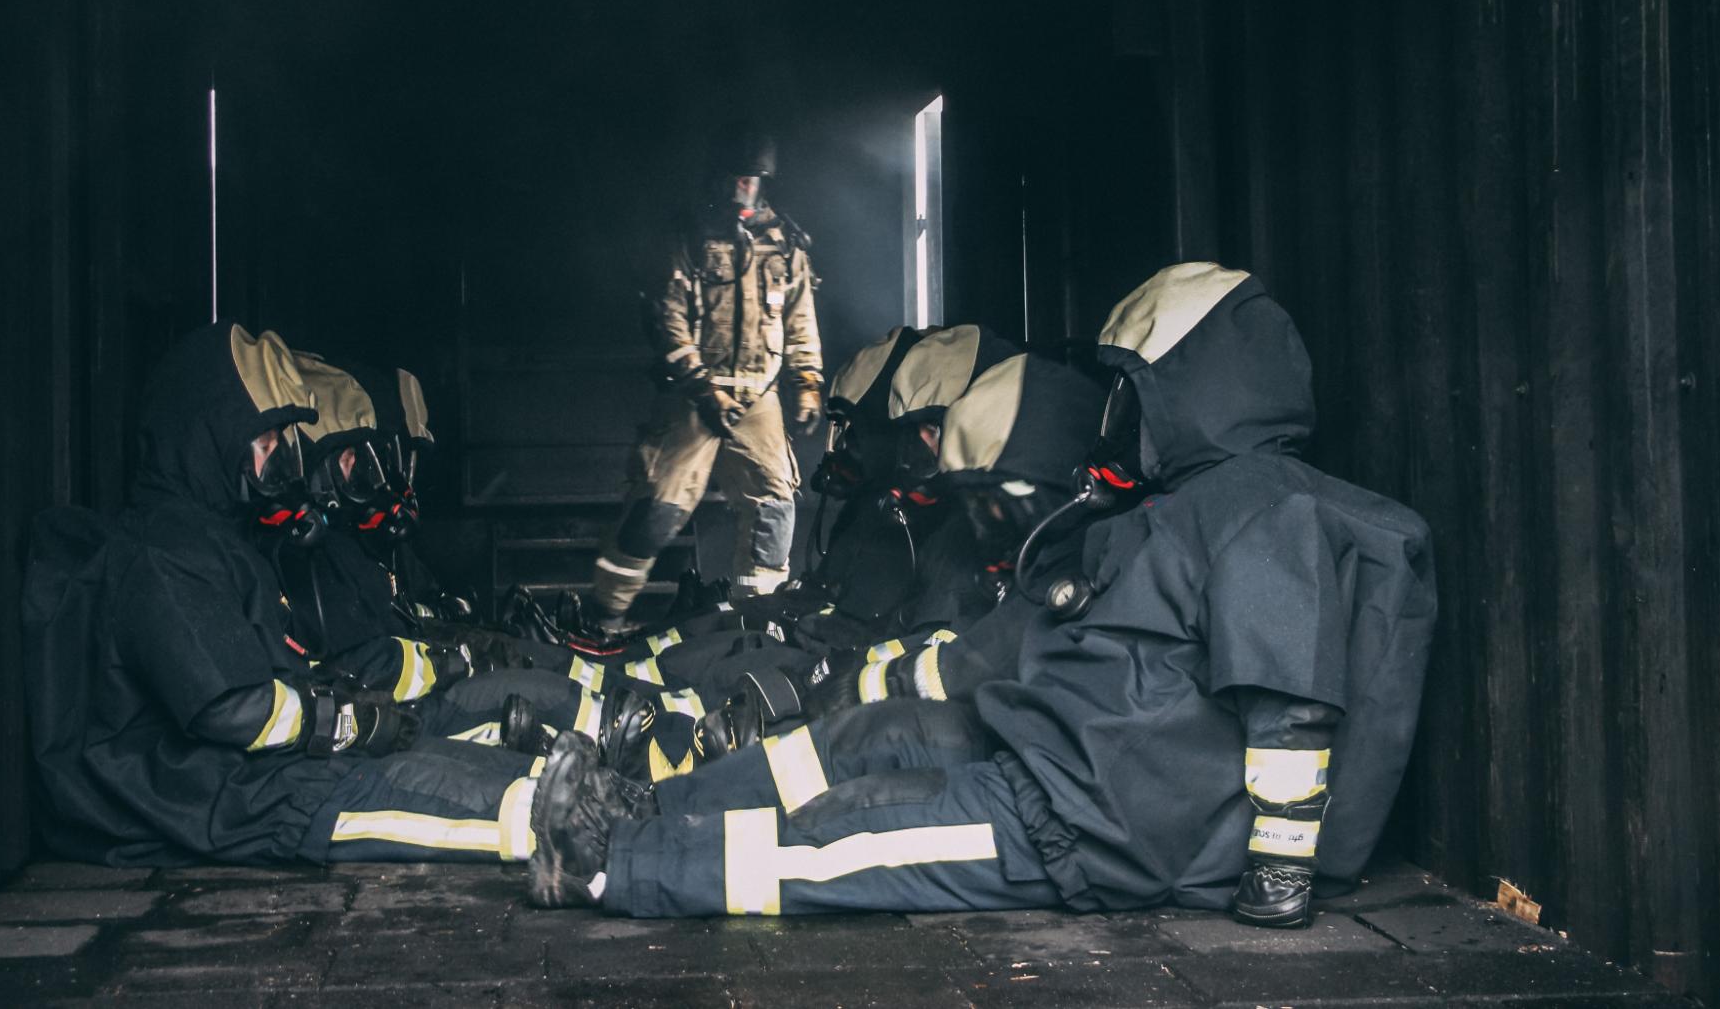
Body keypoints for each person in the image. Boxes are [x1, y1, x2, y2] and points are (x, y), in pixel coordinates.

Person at [525, 263, 1438, 929]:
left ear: (1197, 385)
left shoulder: (1266, 507)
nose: (1117, 414)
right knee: (870, 738)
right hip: (1053, 751)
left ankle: (613, 864)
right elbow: (1044, 638)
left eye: (1133, 389)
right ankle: (650, 806)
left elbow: (1289, 693)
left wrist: (1280, 868)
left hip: (1095, 821)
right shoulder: (1181, 507)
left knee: (855, 835)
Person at [24, 323, 548, 867]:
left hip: (262, 776)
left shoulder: (213, 541)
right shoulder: (164, 553)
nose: (276, 464)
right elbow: (232, 709)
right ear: (210, 437)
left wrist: (347, 713)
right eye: (266, 446)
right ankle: (577, 831)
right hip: (220, 798)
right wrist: (344, 721)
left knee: (450, 768)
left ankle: (577, 793)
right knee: (436, 798)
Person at [588, 128, 824, 623]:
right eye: (737, 179)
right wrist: (702, 386)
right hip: (695, 397)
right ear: (719, 179)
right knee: (658, 510)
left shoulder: (786, 244)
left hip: (758, 397)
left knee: (774, 508)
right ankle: (605, 616)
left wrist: (807, 383)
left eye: (753, 180)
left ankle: (756, 620)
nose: (745, 189)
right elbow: (669, 317)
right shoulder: (690, 238)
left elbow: (800, 319)